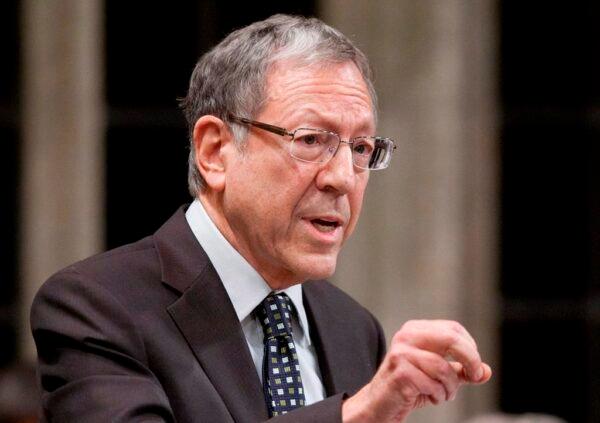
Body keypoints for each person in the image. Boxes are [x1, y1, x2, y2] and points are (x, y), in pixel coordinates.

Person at [30, 14, 491, 422]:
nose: (342, 178)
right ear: (215, 151)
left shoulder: (353, 328)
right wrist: (355, 415)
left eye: (360, 148)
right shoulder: (97, 307)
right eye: (311, 140)